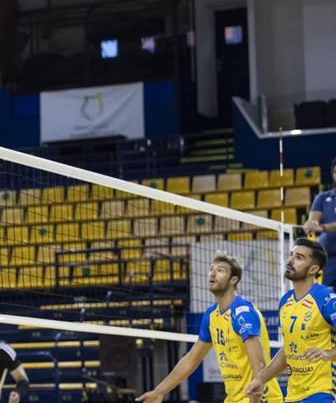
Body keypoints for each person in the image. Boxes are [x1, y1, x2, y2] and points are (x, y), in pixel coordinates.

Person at [136, 253, 282, 403]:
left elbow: (259, 363)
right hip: (234, 398)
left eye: (220, 270)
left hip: (261, 397)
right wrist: (159, 392)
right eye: (211, 269)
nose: (212, 273)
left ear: (233, 279)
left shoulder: (242, 312)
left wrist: (257, 397)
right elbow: (192, 358)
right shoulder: (212, 316)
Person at [246, 239, 336, 403]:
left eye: (299, 257)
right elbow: (287, 351)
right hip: (293, 395)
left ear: (313, 269)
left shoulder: (327, 299)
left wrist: (328, 354)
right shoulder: (285, 301)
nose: (290, 260)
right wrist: (260, 379)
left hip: (323, 393)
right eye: (291, 255)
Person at [302, 157, 336, 287]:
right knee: (326, 298)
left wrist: (324, 227)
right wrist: (310, 225)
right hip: (328, 259)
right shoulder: (323, 198)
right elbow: (313, 221)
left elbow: (323, 227)